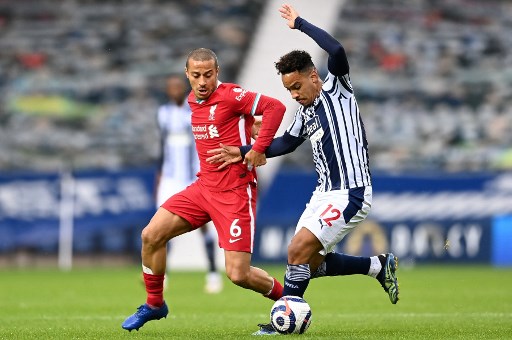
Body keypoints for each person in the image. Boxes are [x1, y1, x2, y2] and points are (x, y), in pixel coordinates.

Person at [206, 4, 399, 335]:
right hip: (323, 194)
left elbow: (336, 49)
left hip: (351, 192)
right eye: (288, 91)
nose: (294, 95)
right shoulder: (305, 114)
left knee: (296, 250)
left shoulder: (338, 90)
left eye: (297, 87)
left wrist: (300, 24)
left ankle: (280, 325)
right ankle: (378, 266)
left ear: (313, 76)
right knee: (307, 263)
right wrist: (243, 151)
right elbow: (284, 144)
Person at [121, 48, 286, 332]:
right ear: (187, 74)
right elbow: (236, 124)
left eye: (208, 75)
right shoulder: (191, 100)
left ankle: (290, 300)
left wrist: (258, 148)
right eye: (196, 75)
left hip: (235, 192)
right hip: (203, 188)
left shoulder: (232, 95)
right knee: (151, 235)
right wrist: (250, 127)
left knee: (238, 274)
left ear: (217, 72)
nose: (202, 82)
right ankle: (154, 304)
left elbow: (275, 108)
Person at [155, 74, 222, 294]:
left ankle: (213, 273)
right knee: (161, 227)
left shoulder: (194, 111)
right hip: (169, 177)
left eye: (177, 86)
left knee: (203, 226)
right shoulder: (163, 113)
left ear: (183, 88)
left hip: (192, 176)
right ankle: (161, 275)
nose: (173, 90)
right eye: (170, 86)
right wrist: (159, 173)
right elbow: (162, 145)